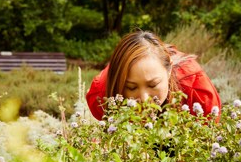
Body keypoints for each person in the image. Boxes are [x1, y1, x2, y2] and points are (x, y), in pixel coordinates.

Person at [86, 30, 221, 121]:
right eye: (131, 88)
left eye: (152, 84)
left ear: (168, 70)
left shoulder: (196, 90)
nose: (144, 99)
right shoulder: (102, 95)